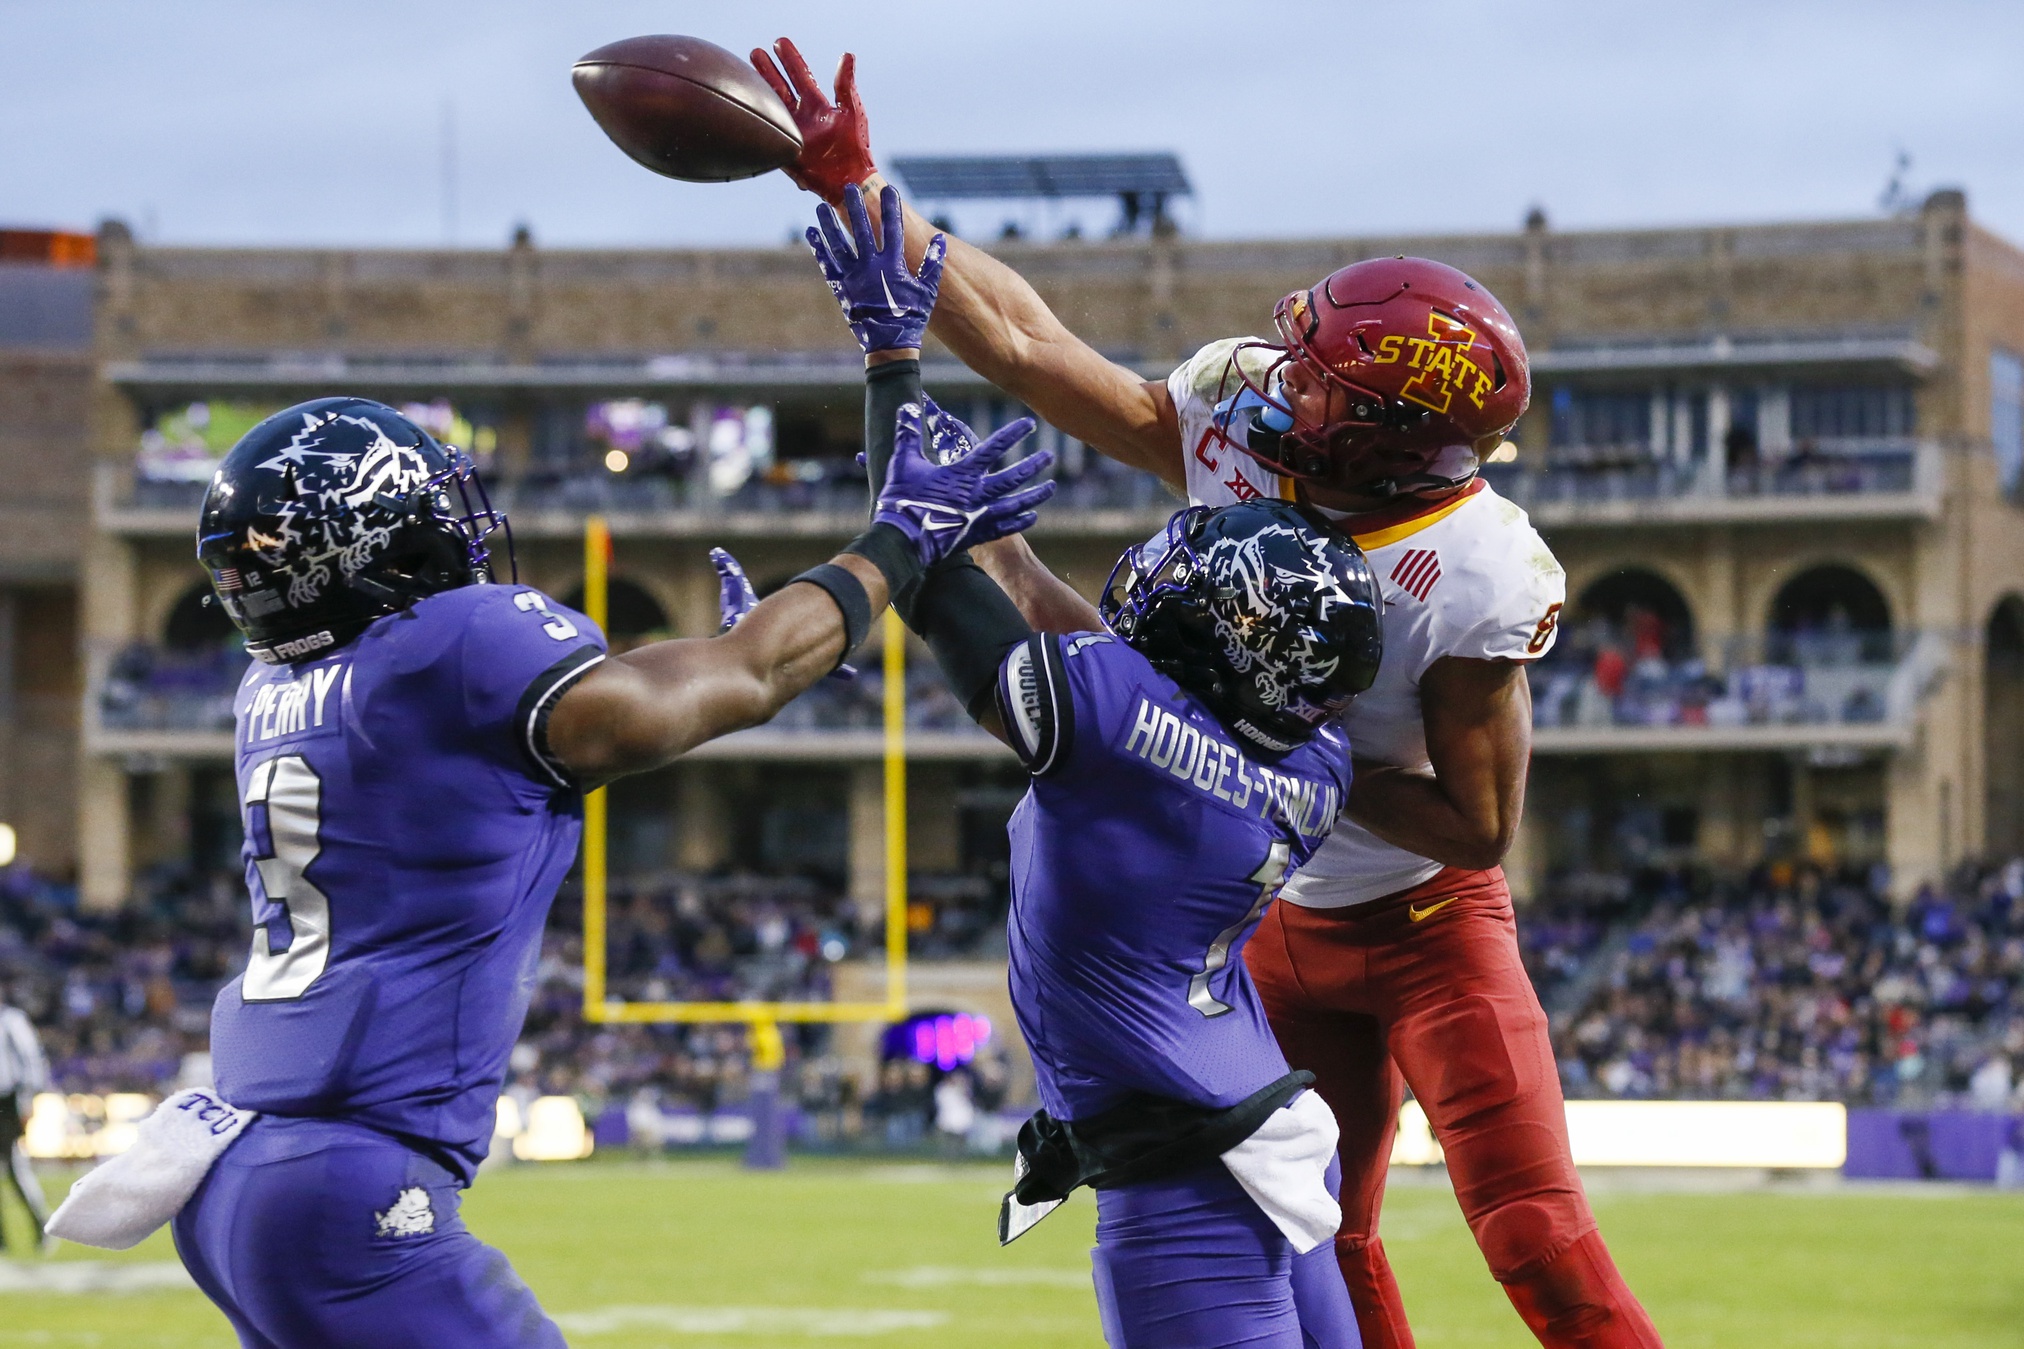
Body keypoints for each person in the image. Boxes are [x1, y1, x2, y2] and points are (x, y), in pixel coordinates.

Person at [751, 40, 1662, 1349]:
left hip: (1422, 916)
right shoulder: (1243, 410)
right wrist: (860, 191)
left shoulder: (1474, 568)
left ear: (1383, 439)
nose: (1284, 378)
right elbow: (1027, 342)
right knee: (1315, 1231)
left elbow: (1475, 828)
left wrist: (1277, 757)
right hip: (1263, 912)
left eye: (1322, 380)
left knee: (1530, 1229)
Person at [77, 394, 1048, 1347]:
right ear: (373, 547)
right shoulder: (453, 644)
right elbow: (740, 678)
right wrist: (895, 540)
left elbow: (649, 693)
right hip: (348, 1188)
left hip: (240, 1172)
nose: (450, 532)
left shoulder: (273, 687)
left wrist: (735, 656)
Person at [741, 182, 1385, 1347]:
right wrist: (1006, 547)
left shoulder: (1120, 724)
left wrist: (890, 357)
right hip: (1262, 1147)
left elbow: (930, 581)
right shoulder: (1315, 757)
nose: (1165, 584)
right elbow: (1140, 694)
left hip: (1183, 1187)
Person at [0, 990, 52, 1252]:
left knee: (14, 1167)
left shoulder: (11, 1020)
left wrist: (27, 1100)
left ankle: (41, 1225)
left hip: (8, 1101)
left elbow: (31, 1060)